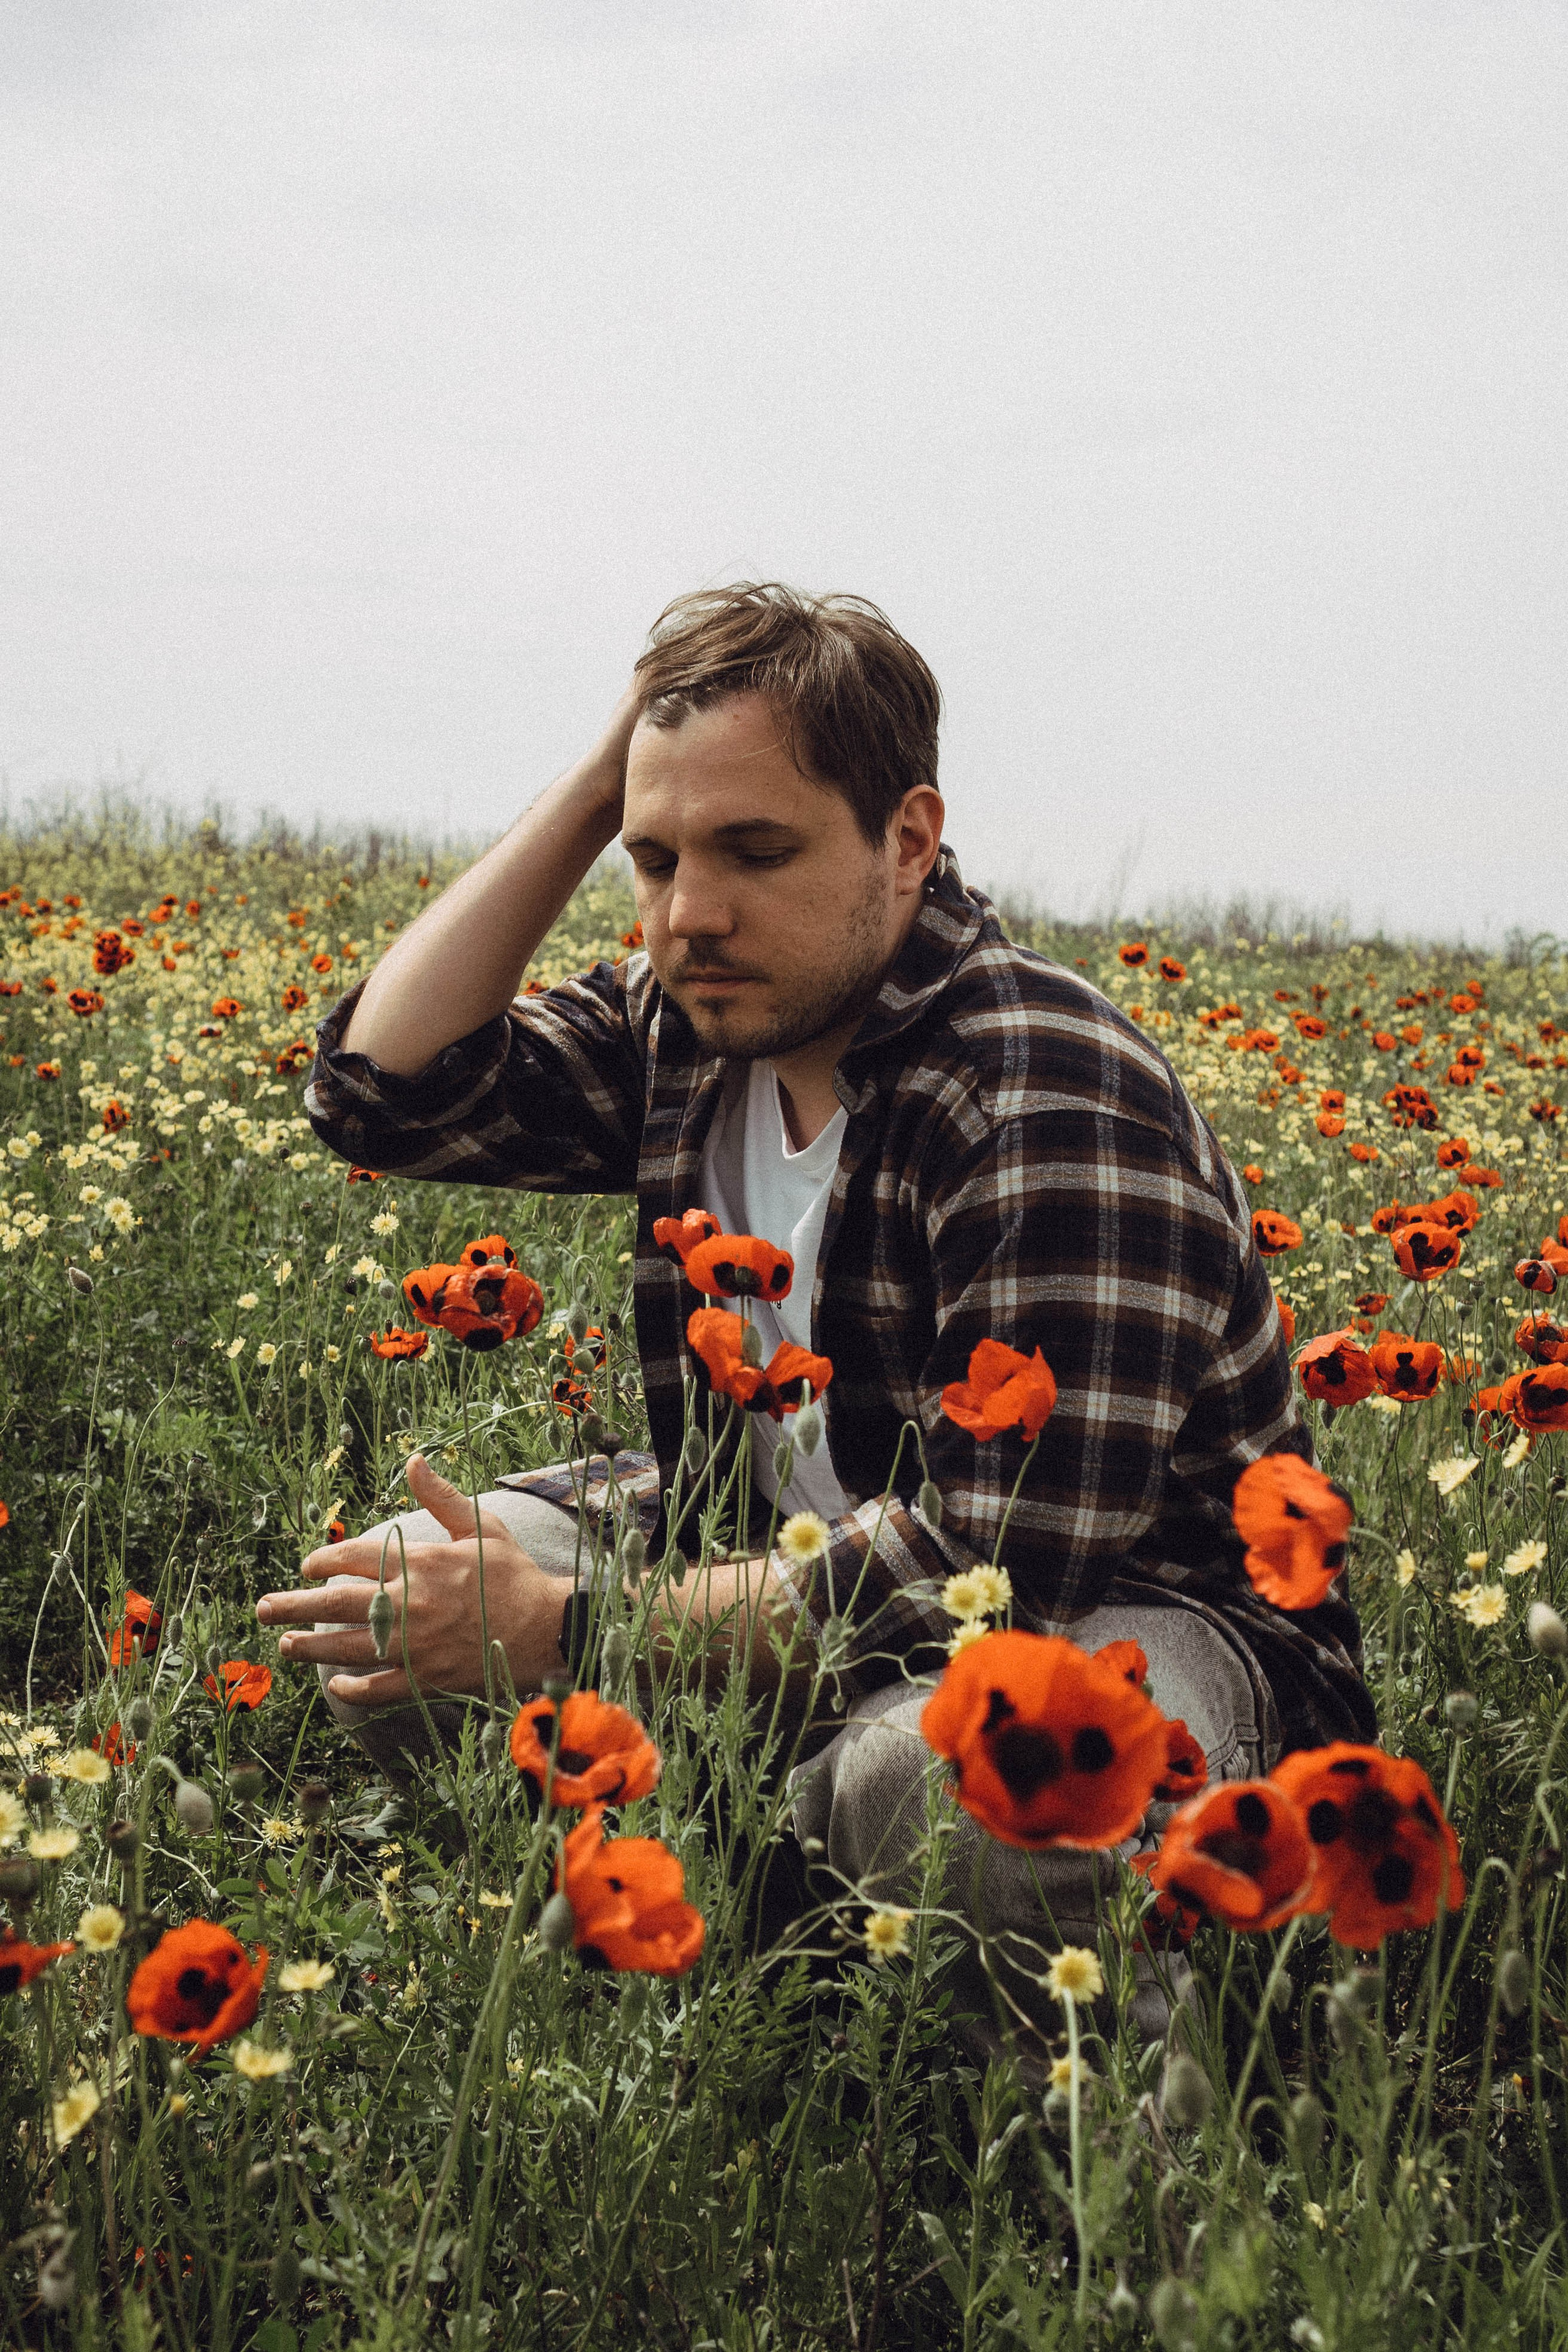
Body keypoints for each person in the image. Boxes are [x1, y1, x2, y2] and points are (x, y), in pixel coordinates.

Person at [257, 581, 1374, 2032]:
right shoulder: (696, 1024)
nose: (689, 915)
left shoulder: (1038, 1088)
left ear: (908, 842)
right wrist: (605, 784)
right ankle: (739, 1985)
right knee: (396, 1596)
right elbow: (376, 1095)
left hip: (1137, 1614)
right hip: (781, 1544)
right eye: (654, 858)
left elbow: (997, 1559)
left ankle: (1122, 2142)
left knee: (949, 1779)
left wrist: (576, 1633)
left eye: (754, 849)